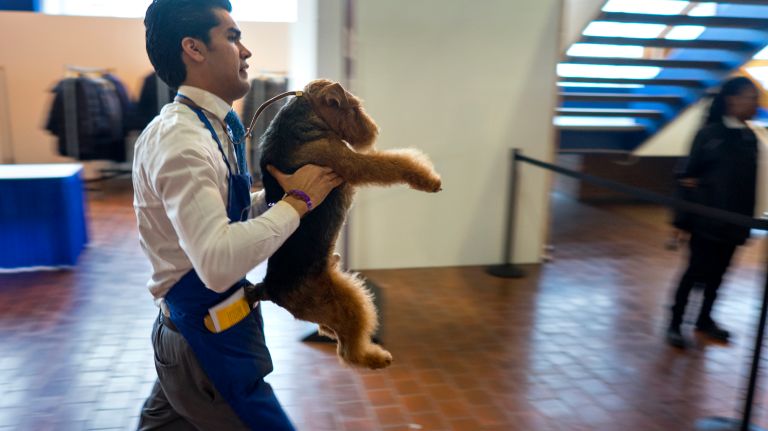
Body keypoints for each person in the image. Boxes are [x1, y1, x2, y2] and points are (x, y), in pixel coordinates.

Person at [133, 0, 343, 429]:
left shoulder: (212, 126)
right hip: (204, 349)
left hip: (198, 338)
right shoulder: (182, 142)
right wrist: (297, 202)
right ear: (193, 48)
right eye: (232, 37)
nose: (246, 51)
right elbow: (217, 262)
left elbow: (224, 217)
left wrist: (277, 196)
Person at [666, 76, 760, 349]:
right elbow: (686, 177)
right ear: (732, 100)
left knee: (720, 274)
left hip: (734, 222)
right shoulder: (709, 135)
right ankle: (675, 323)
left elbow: (749, 185)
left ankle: (704, 319)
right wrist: (681, 222)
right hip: (706, 223)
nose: (755, 103)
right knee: (695, 272)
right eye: (750, 97)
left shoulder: (749, 138)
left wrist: (747, 222)